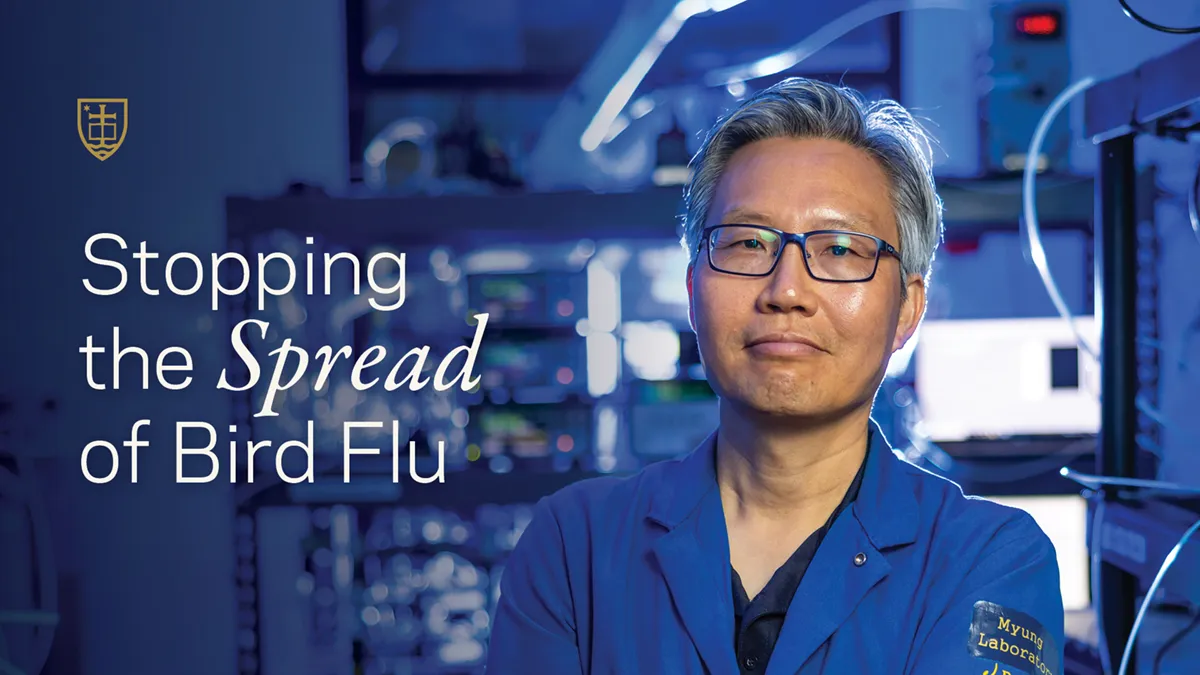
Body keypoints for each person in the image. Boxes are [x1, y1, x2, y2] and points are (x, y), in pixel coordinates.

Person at [486, 78, 1064, 675]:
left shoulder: (989, 560)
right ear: (693, 290)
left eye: (840, 250)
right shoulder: (575, 546)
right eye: (747, 243)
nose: (786, 291)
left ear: (907, 311)